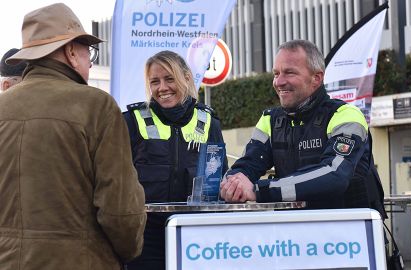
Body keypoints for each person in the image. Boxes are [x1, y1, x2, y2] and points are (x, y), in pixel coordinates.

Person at [0, 3, 146, 270]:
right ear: (70, 51)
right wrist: (130, 250)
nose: (90, 62)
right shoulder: (96, 106)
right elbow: (120, 212)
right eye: (87, 52)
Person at [220, 39, 384, 214]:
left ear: (316, 78)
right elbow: (247, 166)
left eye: (289, 73)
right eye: (276, 74)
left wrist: (260, 190)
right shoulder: (270, 119)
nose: (279, 82)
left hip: (351, 236)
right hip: (294, 237)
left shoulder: (346, 115)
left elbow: (335, 175)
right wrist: (233, 183)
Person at [123, 50, 228, 270]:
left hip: (195, 236)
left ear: (186, 78)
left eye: (169, 78)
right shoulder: (132, 121)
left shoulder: (208, 121)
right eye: (155, 81)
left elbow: (220, 181)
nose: (162, 88)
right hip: (145, 239)